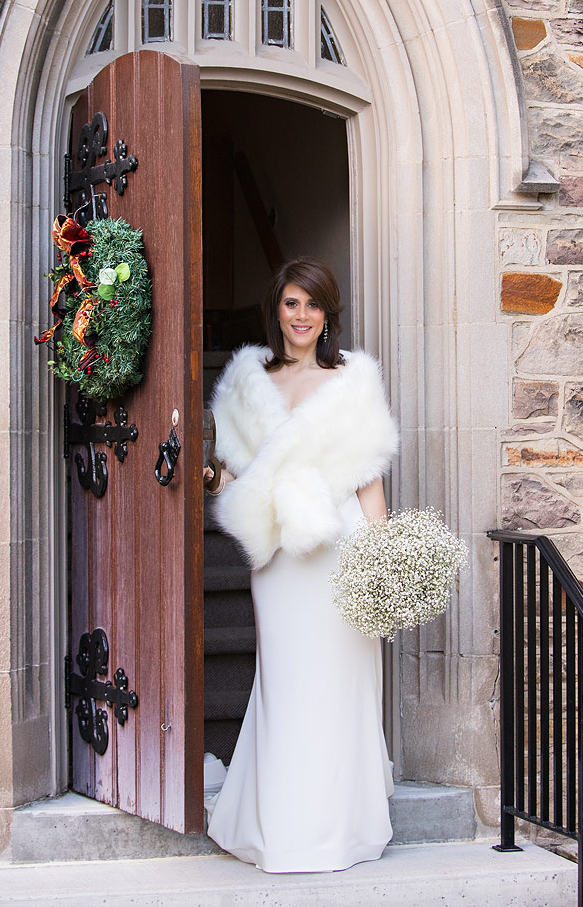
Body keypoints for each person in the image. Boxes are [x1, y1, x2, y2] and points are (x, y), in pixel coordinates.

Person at [203, 257, 399, 873]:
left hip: (340, 548)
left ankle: (341, 827)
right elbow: (232, 469)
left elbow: (368, 476)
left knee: (341, 683)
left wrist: (383, 555)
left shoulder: (352, 382)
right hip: (282, 555)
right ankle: (283, 828)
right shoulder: (247, 382)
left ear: (326, 313)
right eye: (292, 303)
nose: (302, 316)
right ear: (277, 310)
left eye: (312, 304)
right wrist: (216, 479)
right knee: (287, 684)